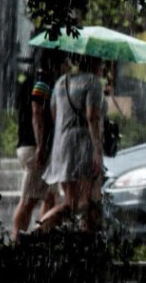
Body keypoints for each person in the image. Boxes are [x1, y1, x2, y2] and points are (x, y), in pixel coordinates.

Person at [39, 55, 106, 233]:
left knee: (77, 203)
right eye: (102, 63)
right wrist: (97, 151)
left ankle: (41, 233)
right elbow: (92, 117)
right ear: (95, 63)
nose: (103, 68)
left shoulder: (62, 82)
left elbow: (54, 113)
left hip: (61, 147)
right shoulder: (93, 83)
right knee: (83, 203)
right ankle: (37, 233)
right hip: (82, 148)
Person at [11, 53, 63, 240]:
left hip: (34, 146)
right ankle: (16, 240)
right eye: (64, 63)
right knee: (29, 199)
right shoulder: (42, 81)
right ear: (54, 64)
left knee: (50, 197)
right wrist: (41, 145)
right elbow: (36, 112)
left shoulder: (30, 80)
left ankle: (41, 238)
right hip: (35, 148)